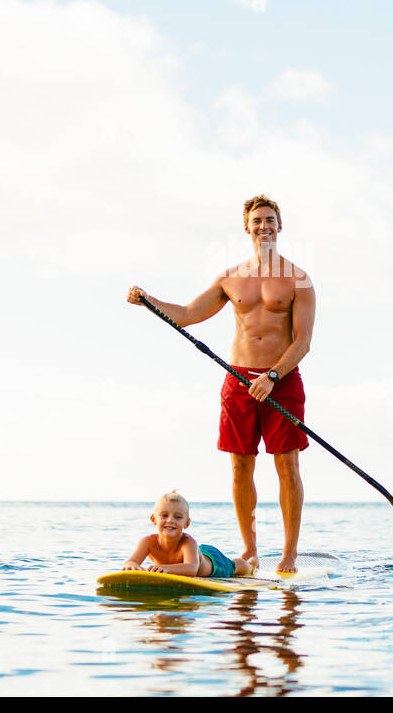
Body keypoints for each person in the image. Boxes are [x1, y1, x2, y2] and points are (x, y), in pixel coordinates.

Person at [127, 195, 314, 573]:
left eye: (270, 220)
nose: (264, 226)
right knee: (240, 466)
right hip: (238, 380)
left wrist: (273, 376)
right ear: (247, 228)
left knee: (287, 466)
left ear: (280, 226)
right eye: (257, 221)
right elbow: (188, 314)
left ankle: (289, 553)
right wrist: (149, 300)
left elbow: (302, 342)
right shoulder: (231, 278)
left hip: (281, 380)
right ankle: (250, 550)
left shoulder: (298, 279)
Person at [122, 491, 255, 578]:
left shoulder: (188, 542)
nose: (170, 521)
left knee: (234, 567)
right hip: (197, 553)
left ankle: (250, 564)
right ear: (153, 519)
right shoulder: (147, 542)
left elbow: (192, 569)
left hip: (214, 563)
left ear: (187, 523)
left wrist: (163, 568)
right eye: (164, 515)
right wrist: (131, 566)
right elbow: (131, 560)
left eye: (178, 517)